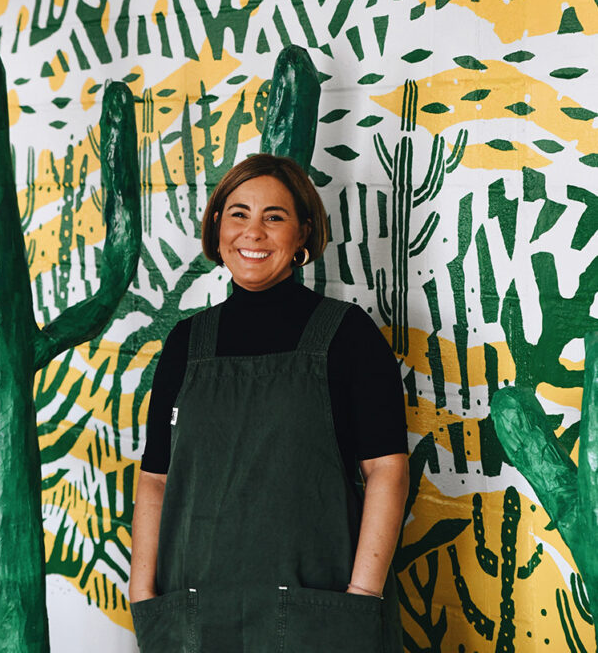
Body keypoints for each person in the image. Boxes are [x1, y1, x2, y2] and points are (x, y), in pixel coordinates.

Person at [129, 153, 409, 652]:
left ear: (303, 233)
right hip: (196, 617)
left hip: (315, 618)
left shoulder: (348, 335)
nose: (252, 233)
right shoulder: (185, 343)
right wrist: (142, 589)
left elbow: (387, 469)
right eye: (238, 214)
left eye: (273, 217)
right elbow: (155, 477)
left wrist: (362, 594)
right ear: (217, 227)